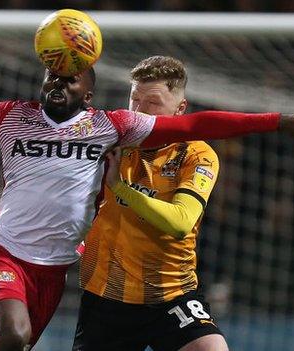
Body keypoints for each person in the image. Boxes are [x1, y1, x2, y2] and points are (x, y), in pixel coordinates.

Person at [0, 65, 294, 351]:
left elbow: (200, 124)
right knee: (11, 337)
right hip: (4, 252)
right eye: (52, 77)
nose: (57, 84)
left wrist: (278, 121)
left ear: (89, 92)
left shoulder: (113, 127)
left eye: (70, 80)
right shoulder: (9, 115)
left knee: (17, 344)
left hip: (59, 269)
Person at [72, 55, 229, 351]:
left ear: (180, 108)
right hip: (107, 295)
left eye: (153, 102)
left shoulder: (197, 154)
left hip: (170, 295)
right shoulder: (112, 140)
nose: (140, 111)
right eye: (135, 99)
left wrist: (120, 188)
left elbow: (181, 221)